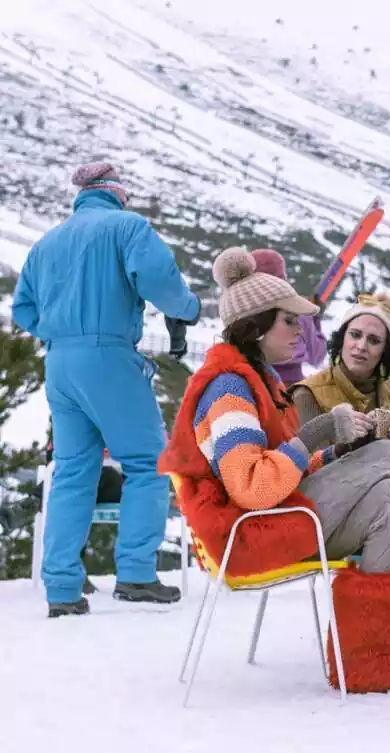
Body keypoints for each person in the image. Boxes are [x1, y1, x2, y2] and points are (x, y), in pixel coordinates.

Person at [157, 247, 390, 692]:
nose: (301, 329)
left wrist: (335, 453)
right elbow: (252, 487)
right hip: (249, 532)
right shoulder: (229, 390)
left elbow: (285, 466)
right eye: (289, 320)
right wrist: (320, 432)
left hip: (278, 517)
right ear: (256, 328)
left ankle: (373, 664)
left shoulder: (260, 381)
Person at [12, 162, 201, 617]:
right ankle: (136, 572)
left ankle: (61, 589)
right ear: (117, 194)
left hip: (59, 362)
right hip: (108, 355)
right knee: (148, 462)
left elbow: (23, 309)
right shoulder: (126, 226)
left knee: (73, 471)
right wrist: (188, 309)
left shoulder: (47, 242)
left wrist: (63, 334)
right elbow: (158, 279)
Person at [291, 291, 390, 466]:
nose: (361, 346)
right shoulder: (308, 392)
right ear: (342, 338)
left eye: (374, 341)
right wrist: (355, 441)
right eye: (355, 335)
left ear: (384, 351)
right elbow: (309, 467)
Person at [250, 248, 328, 387]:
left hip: (253, 383)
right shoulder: (299, 311)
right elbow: (317, 356)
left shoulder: (243, 313)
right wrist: (316, 321)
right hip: (292, 388)